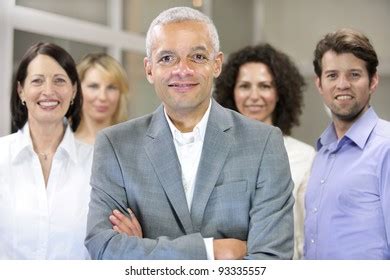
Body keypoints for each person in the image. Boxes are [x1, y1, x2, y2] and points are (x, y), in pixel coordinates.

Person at [85, 6, 294, 260]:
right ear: (149, 69)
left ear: (216, 64)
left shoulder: (263, 143)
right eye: (167, 58)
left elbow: (271, 259)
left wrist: (144, 251)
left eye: (197, 57)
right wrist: (211, 251)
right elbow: (104, 247)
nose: (182, 70)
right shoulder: (115, 144)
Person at [214, 44, 316, 259]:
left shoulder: (306, 158)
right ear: (232, 92)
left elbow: (308, 235)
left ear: (279, 93)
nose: (254, 96)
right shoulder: (214, 154)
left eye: (264, 86)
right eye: (244, 86)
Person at [0, 42, 93, 259]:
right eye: (37, 81)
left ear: (74, 91)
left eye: (59, 80)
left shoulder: (97, 163)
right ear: (21, 90)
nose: (48, 91)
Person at [305, 28, 390, 259]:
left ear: (373, 81)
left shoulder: (386, 148)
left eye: (354, 74)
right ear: (320, 84)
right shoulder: (322, 152)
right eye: (332, 75)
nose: (342, 84)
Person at [75, 53, 129, 144]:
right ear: (77, 90)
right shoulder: (61, 145)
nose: (102, 97)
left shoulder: (133, 145)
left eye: (111, 87)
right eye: (94, 86)